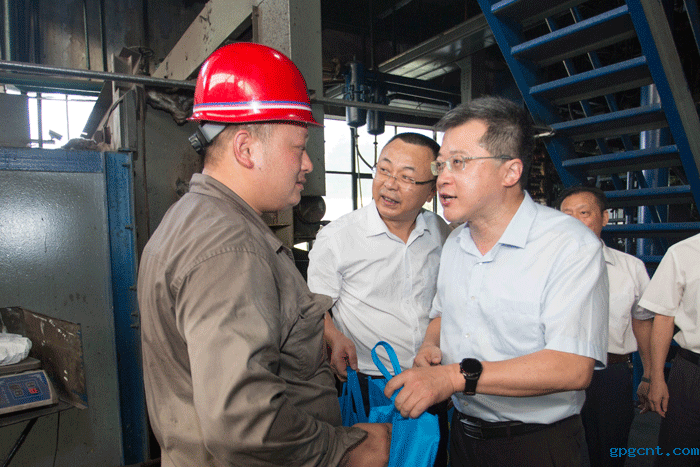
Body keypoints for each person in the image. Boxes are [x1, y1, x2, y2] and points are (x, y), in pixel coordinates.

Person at [138, 42, 390, 467]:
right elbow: (242, 421)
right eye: (298, 147)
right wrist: (344, 452)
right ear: (246, 149)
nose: (308, 164)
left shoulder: (189, 218)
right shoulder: (231, 249)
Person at [384, 96, 609, 467]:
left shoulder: (568, 245)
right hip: (464, 436)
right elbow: (442, 314)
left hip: (536, 445)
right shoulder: (456, 242)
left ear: (510, 172)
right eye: (441, 164)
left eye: (459, 162)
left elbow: (572, 366)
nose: (442, 177)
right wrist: (429, 346)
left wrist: (454, 378)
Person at [307, 132, 450, 465]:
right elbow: (314, 308)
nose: (390, 184)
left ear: (431, 190)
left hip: (430, 381)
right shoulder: (339, 237)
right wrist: (334, 335)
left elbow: (445, 304)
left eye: (407, 177)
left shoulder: (441, 232)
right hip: (372, 387)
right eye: (384, 170)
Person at [556, 185, 654, 467]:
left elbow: (642, 322)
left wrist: (650, 376)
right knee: (558, 452)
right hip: (556, 373)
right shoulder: (541, 267)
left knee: (611, 451)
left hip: (611, 374)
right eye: (567, 214)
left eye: (584, 213)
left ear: (605, 218)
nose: (575, 221)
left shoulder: (630, 267)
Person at [638, 232, 700, 466]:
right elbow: (664, 318)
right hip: (692, 372)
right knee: (679, 454)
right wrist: (656, 377)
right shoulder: (682, 252)